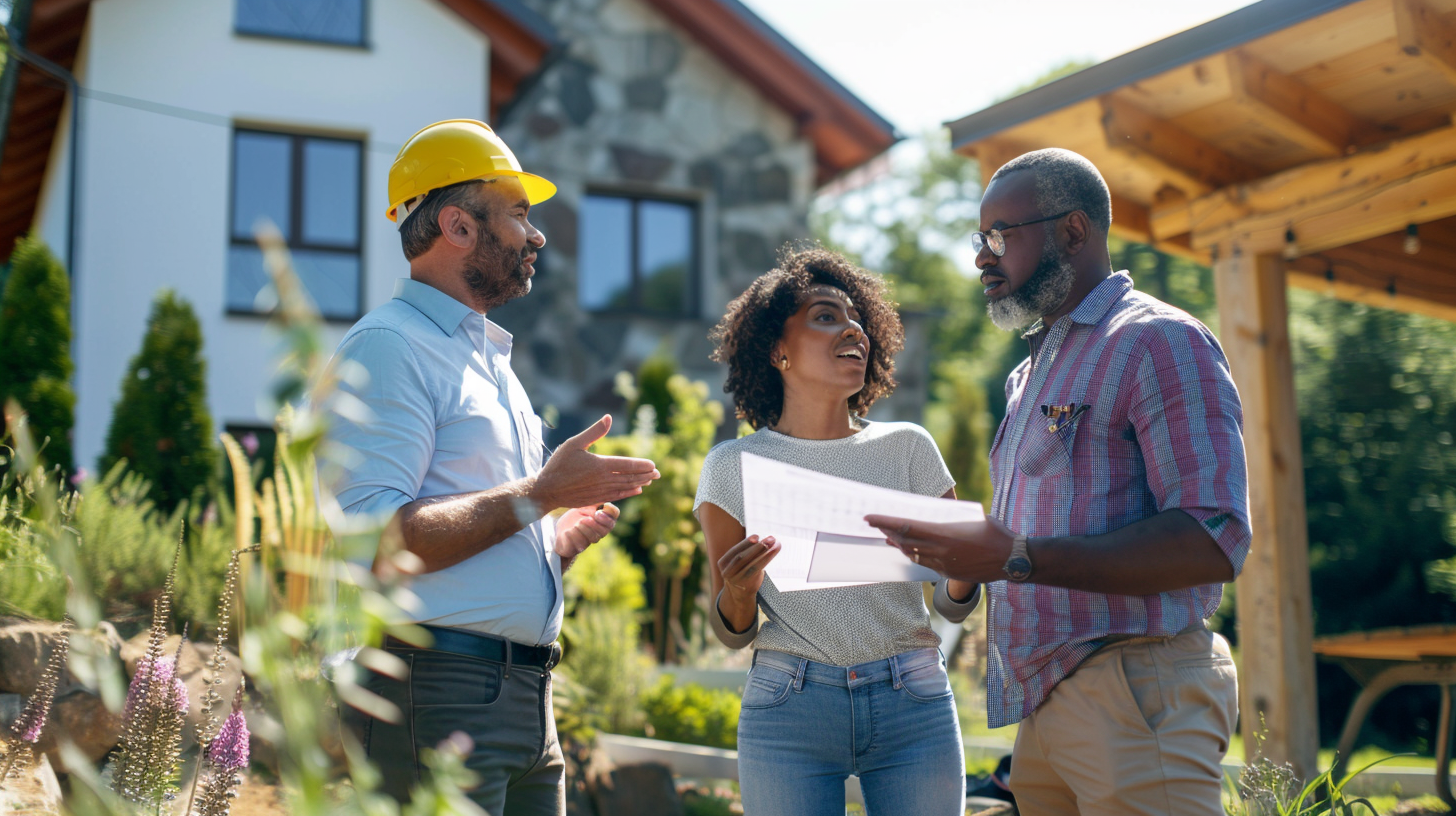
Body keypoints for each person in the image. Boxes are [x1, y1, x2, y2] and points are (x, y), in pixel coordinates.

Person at [865, 148, 1251, 816]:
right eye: (977, 240)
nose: (982, 258)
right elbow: (1027, 542)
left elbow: (1212, 538)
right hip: (1049, 707)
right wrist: (955, 553)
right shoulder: (1032, 373)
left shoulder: (1158, 341)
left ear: (1073, 231)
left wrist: (1015, 556)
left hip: (1137, 688)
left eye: (999, 237)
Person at [321, 119, 659, 815]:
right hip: (441, 695)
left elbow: (478, 523)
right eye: (518, 214)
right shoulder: (388, 347)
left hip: (528, 702)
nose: (535, 236)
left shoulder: (492, 365)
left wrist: (548, 549)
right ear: (458, 225)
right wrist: (540, 493)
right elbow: (370, 541)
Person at [694, 247, 980, 816]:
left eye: (857, 319)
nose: (853, 329)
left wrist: (963, 571)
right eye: (826, 315)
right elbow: (732, 632)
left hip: (913, 701)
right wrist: (742, 592)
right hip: (789, 706)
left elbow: (953, 607)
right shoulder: (732, 466)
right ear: (777, 350)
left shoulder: (909, 448)